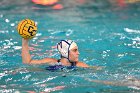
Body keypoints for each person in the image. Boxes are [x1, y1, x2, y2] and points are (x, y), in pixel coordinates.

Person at [22, 38, 90, 70]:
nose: (78, 53)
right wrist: (25, 41)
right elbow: (28, 62)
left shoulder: (80, 65)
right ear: (65, 52)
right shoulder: (51, 62)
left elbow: (97, 70)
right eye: (75, 50)